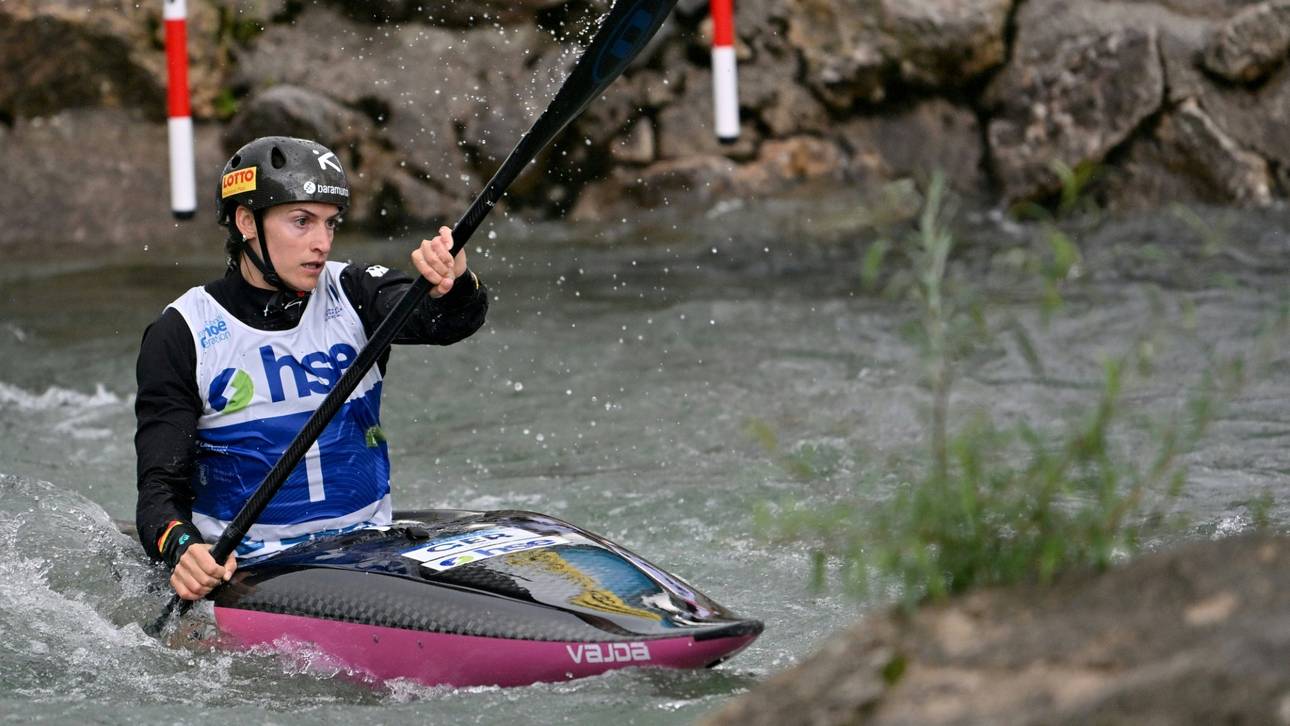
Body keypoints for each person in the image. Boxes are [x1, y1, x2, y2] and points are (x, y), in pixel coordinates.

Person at [135, 136, 488, 601]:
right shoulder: (183, 332)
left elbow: (446, 321)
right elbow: (159, 490)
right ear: (247, 222)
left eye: (330, 223)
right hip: (255, 572)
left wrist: (454, 282)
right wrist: (182, 549)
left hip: (366, 552)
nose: (321, 243)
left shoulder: (355, 291)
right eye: (301, 222)